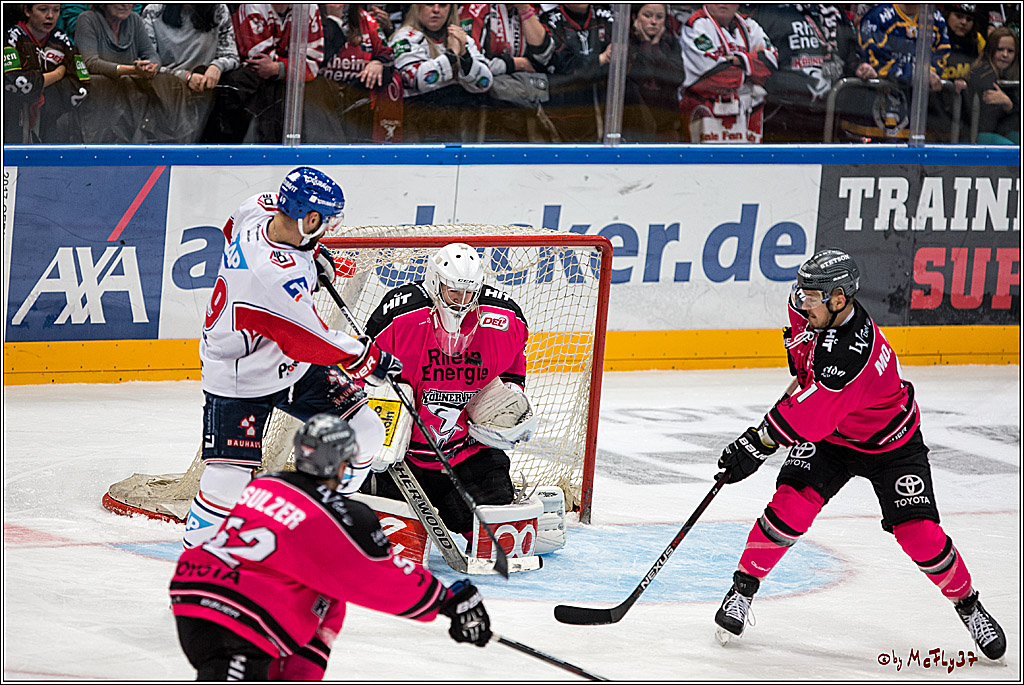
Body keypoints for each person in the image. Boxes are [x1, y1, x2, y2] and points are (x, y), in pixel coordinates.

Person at [712, 248, 1007, 663]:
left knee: (919, 536)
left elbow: (811, 416)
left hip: (891, 443)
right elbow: (806, 375)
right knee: (790, 508)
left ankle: (968, 605)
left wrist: (757, 443)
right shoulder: (816, 312)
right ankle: (742, 589)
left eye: (812, 296)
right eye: (803, 292)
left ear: (839, 299)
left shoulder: (851, 355)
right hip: (835, 434)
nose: (802, 301)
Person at [172, 413, 492, 680]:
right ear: (343, 463)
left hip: (194, 588)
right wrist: (447, 601)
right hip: (243, 617)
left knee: (321, 597)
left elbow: (327, 599)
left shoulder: (264, 484)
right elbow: (380, 575)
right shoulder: (345, 517)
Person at [182, 166, 399, 551]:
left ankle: (328, 522)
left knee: (365, 430)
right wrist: (368, 357)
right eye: (326, 223)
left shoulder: (259, 207)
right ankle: (197, 564)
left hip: (286, 363)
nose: (328, 228)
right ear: (310, 218)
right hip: (240, 376)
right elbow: (309, 340)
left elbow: (233, 228)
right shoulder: (273, 279)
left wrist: (308, 252)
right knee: (228, 480)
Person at [358, 243, 533, 539]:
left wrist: (508, 403)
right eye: (453, 291)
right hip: (403, 462)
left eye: (468, 292)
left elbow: (512, 369)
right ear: (435, 281)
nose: (461, 301)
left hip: (465, 453)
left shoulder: (504, 320)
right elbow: (362, 375)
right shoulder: (400, 318)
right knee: (384, 541)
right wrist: (373, 433)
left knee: (493, 535)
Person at [227, 4, 344, 143]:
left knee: (320, 88)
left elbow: (312, 65)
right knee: (249, 84)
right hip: (256, 88)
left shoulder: (309, 7)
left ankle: (323, 155)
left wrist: (278, 68)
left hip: (291, 83)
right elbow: (260, 65)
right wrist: (294, 65)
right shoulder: (253, 6)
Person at [751, 3, 865, 143]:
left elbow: (850, 56)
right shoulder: (769, 9)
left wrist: (859, 68)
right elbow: (759, 59)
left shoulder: (835, 13)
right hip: (781, 118)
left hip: (829, 120)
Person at [840, 3, 951, 142]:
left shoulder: (936, 19)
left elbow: (942, 56)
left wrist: (930, 74)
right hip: (873, 109)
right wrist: (916, 74)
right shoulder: (878, 16)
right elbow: (876, 61)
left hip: (917, 113)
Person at [389, 3, 493, 143]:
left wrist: (464, 56)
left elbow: (485, 82)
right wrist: (452, 56)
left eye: (443, 5)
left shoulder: (461, 38)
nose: (436, 10)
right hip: (418, 124)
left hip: (460, 126)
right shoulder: (404, 37)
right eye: (430, 4)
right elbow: (417, 79)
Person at [141, 4, 241, 144]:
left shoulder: (219, 9)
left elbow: (232, 55)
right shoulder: (154, 11)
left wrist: (217, 66)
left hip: (205, 87)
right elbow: (147, 64)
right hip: (166, 88)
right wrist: (185, 77)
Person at [679, 3, 778, 143]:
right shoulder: (695, 25)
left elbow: (771, 63)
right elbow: (712, 75)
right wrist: (751, 70)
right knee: (706, 163)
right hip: (707, 115)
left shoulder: (750, 26)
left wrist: (737, 61)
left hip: (748, 118)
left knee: (748, 163)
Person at [458, 3, 555, 142]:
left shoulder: (532, 9)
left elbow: (544, 57)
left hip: (522, 108)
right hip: (483, 110)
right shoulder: (476, 9)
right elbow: (472, 66)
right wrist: (515, 64)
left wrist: (524, 10)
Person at [74, 3, 162, 143]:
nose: (125, 4)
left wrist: (150, 67)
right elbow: (89, 63)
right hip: (99, 100)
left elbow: (152, 56)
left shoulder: (135, 20)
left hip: (131, 99)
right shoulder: (87, 19)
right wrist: (131, 70)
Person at [3, 3, 90, 144]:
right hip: (12, 118)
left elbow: (82, 84)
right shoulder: (11, 39)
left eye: (56, 10)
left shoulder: (61, 40)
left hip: (51, 117)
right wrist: (57, 75)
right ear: (27, 10)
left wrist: (44, 92)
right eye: (43, 9)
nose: (50, 16)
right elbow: (12, 80)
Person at [320, 3, 404, 143]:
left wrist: (378, 63)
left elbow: (388, 57)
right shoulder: (311, 17)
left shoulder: (366, 20)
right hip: (320, 100)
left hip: (357, 99)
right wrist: (333, 21)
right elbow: (315, 58)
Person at [539, 3, 614, 143]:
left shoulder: (606, 16)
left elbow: (624, 51)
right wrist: (601, 59)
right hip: (562, 101)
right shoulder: (549, 20)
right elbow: (563, 64)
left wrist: (618, 47)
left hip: (600, 99)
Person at [623, 3, 685, 142]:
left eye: (659, 17)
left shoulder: (671, 43)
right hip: (635, 124)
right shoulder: (626, 43)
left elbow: (677, 78)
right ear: (634, 17)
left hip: (667, 122)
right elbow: (638, 76)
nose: (653, 22)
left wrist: (656, 47)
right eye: (647, 15)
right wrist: (645, 43)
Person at [967, 26, 1019, 144]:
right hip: (978, 133)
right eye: (1000, 49)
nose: (1005, 55)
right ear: (991, 50)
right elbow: (987, 119)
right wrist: (1010, 105)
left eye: (1010, 51)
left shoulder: (1013, 74)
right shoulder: (982, 73)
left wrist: (1009, 105)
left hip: (1003, 131)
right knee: (1012, 151)